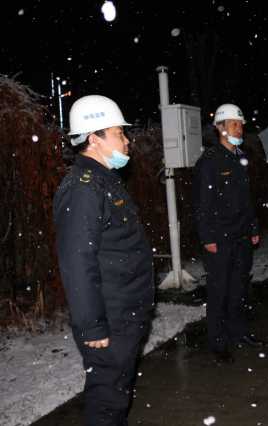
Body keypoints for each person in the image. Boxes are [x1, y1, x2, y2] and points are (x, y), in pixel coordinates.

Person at [53, 94, 154, 425]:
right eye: (119, 133)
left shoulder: (105, 180)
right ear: (94, 138)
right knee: (107, 399)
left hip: (124, 311)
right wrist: (92, 324)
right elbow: (77, 262)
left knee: (117, 392)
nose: (127, 141)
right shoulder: (84, 188)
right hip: (110, 318)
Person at [192, 103, 262, 364]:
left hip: (242, 236)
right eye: (234, 124)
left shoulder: (239, 158)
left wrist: (253, 227)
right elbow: (201, 204)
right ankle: (218, 343)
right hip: (220, 240)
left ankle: (239, 333)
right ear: (220, 128)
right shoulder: (209, 162)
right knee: (219, 291)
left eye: (241, 124)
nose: (239, 128)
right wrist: (207, 237)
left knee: (239, 288)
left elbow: (246, 199)